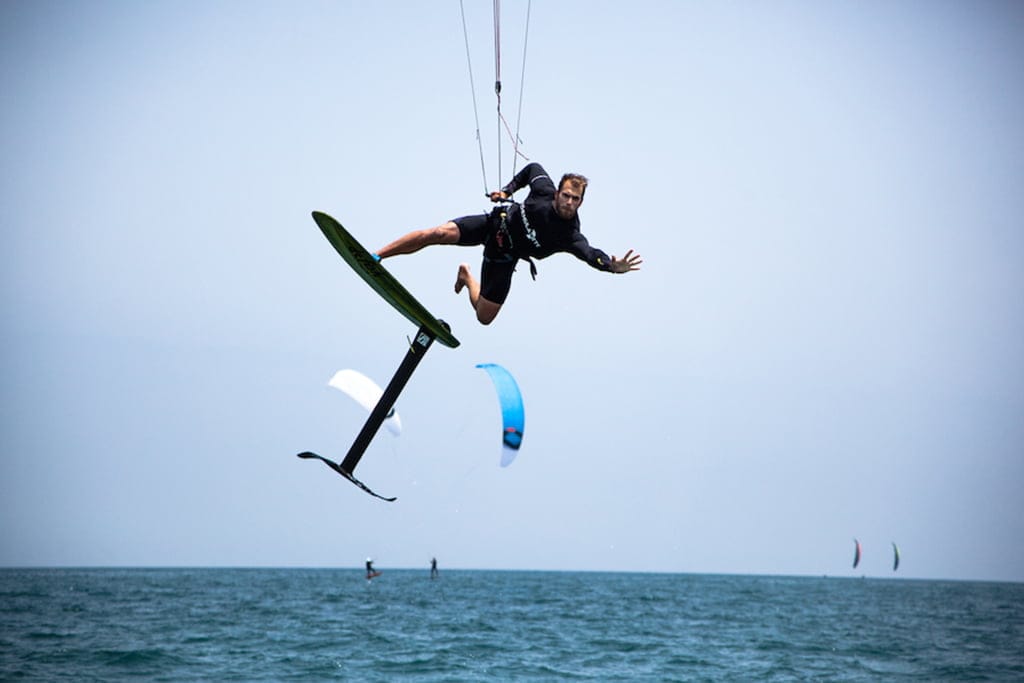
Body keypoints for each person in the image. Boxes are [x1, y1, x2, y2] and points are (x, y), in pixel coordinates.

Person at [375, 162, 642, 325]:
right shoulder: (543, 190)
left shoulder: (570, 235)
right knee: (437, 233)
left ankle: (467, 276)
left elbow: (589, 253)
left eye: (576, 199)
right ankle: (377, 255)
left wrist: (610, 266)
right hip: (493, 226)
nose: (569, 202)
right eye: (566, 195)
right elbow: (532, 169)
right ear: (558, 192)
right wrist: (507, 190)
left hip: (505, 256)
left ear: (582, 201)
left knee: (484, 317)